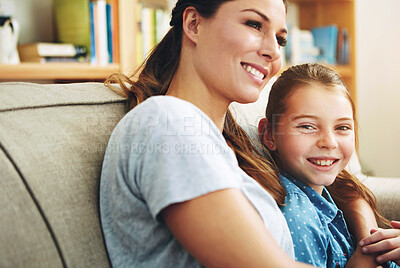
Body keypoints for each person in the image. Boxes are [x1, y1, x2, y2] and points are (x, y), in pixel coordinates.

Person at [100, 0, 384, 267]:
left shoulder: (229, 142)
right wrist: (367, 257)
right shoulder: (167, 123)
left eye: (280, 39)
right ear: (194, 24)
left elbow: (330, 177)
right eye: (254, 24)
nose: (274, 51)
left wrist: (368, 235)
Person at [258, 63, 400, 268]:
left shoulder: (329, 194)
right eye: (307, 126)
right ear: (269, 134)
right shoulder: (297, 216)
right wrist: (367, 260)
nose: (329, 142)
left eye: (342, 127)